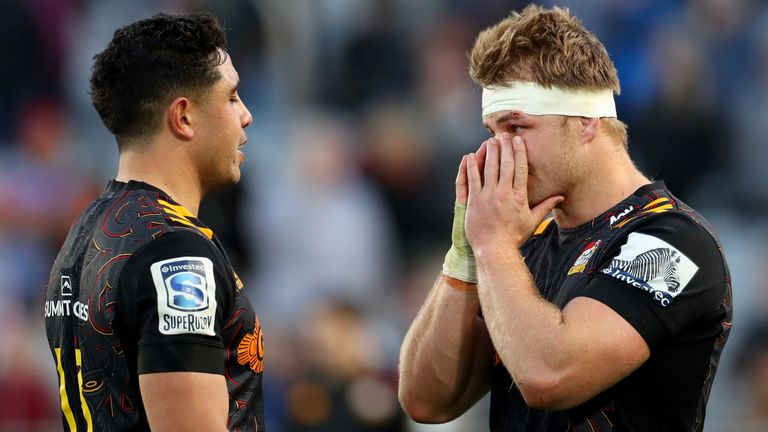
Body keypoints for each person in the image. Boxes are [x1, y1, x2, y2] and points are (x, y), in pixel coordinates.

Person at [398, 5, 732, 432]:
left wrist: (493, 247)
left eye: (515, 127)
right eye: (490, 132)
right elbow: (426, 399)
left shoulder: (673, 243)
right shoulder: (521, 240)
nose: (495, 154)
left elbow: (549, 377)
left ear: (587, 122)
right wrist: (464, 257)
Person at [44, 13, 265, 431]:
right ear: (183, 117)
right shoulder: (177, 254)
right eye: (232, 97)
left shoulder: (83, 233)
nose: (246, 115)